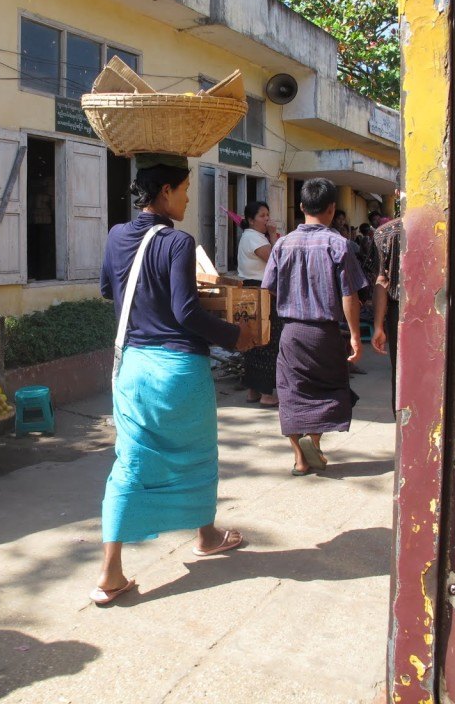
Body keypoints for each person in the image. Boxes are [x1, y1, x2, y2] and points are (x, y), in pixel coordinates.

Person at [93, 154, 254, 605]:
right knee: (198, 455)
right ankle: (205, 536)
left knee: (129, 463)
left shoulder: (115, 236)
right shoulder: (178, 243)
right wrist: (234, 336)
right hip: (178, 370)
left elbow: (110, 290)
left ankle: (110, 571)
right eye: (184, 189)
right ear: (166, 191)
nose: (187, 198)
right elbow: (186, 313)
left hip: (134, 367)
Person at [261, 178, 367, 476]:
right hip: (325, 333)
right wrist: (356, 337)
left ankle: (299, 458)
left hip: (292, 332)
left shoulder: (282, 244)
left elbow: (268, 287)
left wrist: (294, 296)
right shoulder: (339, 244)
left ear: (302, 206)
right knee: (328, 389)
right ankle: (315, 442)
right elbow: (350, 295)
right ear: (332, 209)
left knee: (292, 391)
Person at [236, 200, 281, 406]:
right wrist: (272, 236)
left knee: (253, 340)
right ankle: (266, 393)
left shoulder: (251, 236)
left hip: (251, 291)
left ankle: (253, 390)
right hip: (260, 291)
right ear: (251, 220)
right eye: (262, 216)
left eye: (267, 214)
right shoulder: (254, 237)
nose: (267, 219)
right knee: (266, 340)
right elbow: (274, 261)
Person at [372, 214, 403, 412]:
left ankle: (401, 422)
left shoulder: (385, 232)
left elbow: (382, 281)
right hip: (438, 310)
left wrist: (378, 326)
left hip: (399, 313)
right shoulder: (443, 224)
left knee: (400, 371)